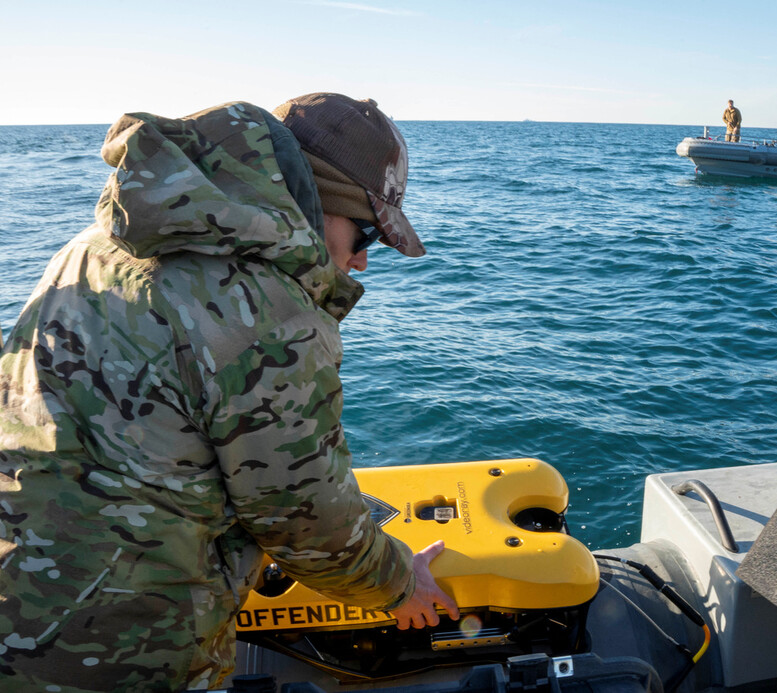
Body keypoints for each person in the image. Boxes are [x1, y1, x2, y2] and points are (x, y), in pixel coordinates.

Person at [0, 93, 459, 692]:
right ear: (316, 202)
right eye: (367, 231)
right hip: (121, 649)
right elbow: (303, 522)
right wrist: (400, 582)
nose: (364, 261)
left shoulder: (96, 246)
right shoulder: (265, 310)